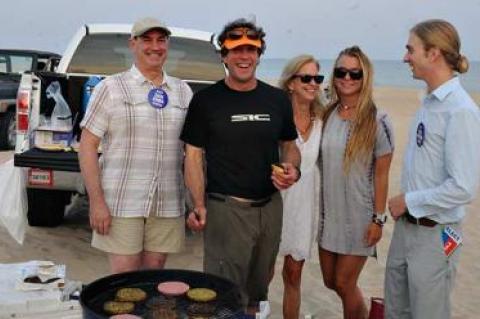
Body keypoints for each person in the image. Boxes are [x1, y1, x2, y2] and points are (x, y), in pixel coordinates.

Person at [180, 18, 301, 312]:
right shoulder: (206, 101)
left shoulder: (277, 100)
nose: (243, 57)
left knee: (256, 293)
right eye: (235, 50)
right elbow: (193, 156)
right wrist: (198, 204)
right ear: (223, 55)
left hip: (270, 209)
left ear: (259, 54)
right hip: (226, 209)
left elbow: (289, 145)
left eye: (251, 49)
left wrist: (292, 169)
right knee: (222, 294)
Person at [79, 17, 193, 273]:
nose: (155, 46)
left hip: (167, 202)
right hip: (121, 202)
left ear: (168, 45)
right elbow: (87, 146)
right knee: (124, 283)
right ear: (133, 44)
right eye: (147, 40)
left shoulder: (183, 91)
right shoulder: (110, 87)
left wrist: (197, 202)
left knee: (153, 280)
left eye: (161, 40)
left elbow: (194, 152)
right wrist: (96, 202)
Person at [385, 19, 480, 319]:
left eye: (410, 49)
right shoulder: (428, 102)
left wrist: (408, 202)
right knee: (395, 312)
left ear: (433, 53)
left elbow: (463, 187)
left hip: (436, 236)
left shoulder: (461, 111)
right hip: (406, 230)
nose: (405, 57)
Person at [318, 46, 394, 319]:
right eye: (341, 71)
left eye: (355, 73)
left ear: (365, 76)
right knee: (330, 280)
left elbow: (382, 174)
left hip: (361, 217)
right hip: (329, 216)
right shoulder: (326, 116)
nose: (347, 77)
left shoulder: (377, 121)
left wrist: (378, 219)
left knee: (344, 282)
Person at [277, 55, 324, 319]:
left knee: (293, 274)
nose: (312, 83)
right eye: (305, 78)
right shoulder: (276, 115)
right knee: (264, 272)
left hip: (305, 205)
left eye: (317, 78)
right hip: (275, 201)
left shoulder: (323, 120)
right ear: (291, 83)